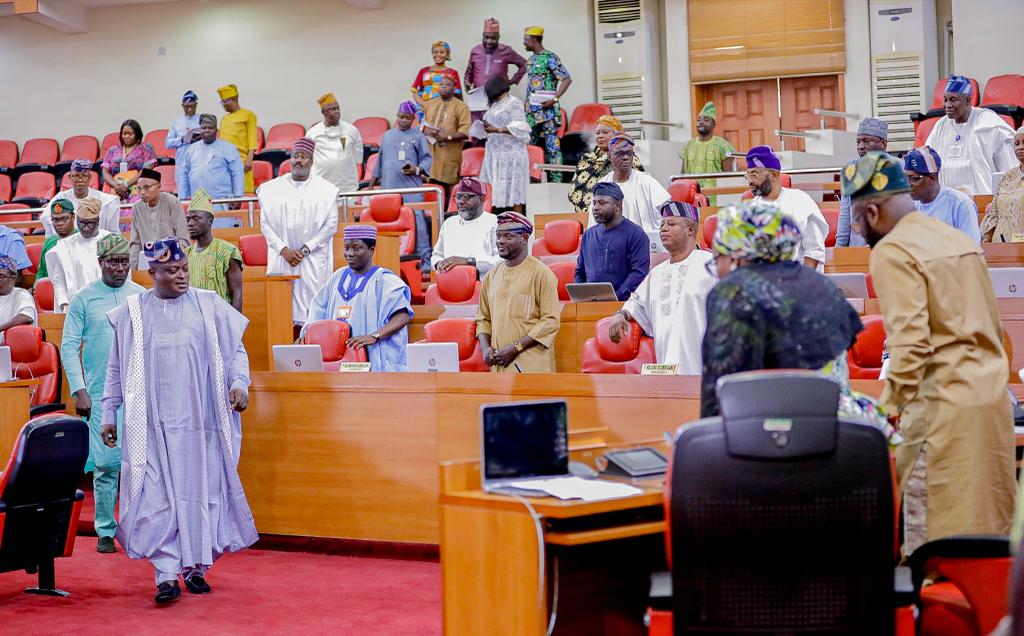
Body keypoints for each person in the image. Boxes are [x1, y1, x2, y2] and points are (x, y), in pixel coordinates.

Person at [843, 150, 1015, 553]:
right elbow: (996, 328)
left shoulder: (893, 251)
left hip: (942, 415)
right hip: (991, 407)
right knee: (990, 542)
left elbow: (911, 346)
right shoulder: (956, 239)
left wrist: (884, 413)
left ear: (870, 213)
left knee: (932, 548)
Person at [101, 237, 257, 603]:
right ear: (152, 273)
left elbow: (237, 351)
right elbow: (114, 368)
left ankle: (197, 567)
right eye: (171, 271)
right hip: (150, 429)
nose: (182, 276)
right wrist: (109, 411)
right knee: (156, 499)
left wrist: (239, 384)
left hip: (201, 426)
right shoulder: (133, 313)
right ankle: (166, 574)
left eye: (184, 268)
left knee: (200, 496)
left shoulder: (209, 305)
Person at [699, 200, 866, 419]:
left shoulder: (734, 291)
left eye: (716, 258)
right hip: (839, 427)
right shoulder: (821, 283)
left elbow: (721, 386)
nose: (717, 269)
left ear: (735, 258)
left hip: (772, 434)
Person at [60, 234, 144, 554]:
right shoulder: (83, 299)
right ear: (101, 263)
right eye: (113, 262)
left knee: (137, 462)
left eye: (125, 262)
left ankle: (135, 526)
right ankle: (106, 529)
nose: (120, 269)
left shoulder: (140, 295)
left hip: (136, 392)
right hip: (97, 393)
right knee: (107, 463)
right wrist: (79, 390)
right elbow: (69, 347)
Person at [608, 201, 715, 374]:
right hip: (667, 369)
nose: (663, 229)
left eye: (671, 224)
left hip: (705, 370)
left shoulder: (710, 265)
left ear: (691, 230)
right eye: (662, 225)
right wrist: (620, 315)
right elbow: (636, 303)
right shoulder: (656, 274)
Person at [304, 225, 413, 372]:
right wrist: (307, 335)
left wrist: (374, 336)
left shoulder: (384, 280)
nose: (349, 253)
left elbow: (404, 315)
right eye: (346, 248)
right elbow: (318, 311)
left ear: (371, 250)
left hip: (371, 358)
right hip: (337, 358)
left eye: (356, 248)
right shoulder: (337, 277)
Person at [258, 138, 339, 326]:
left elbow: (330, 226)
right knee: (281, 314)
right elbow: (265, 224)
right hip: (282, 258)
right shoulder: (271, 189)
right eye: (295, 156)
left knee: (313, 315)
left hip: (312, 259)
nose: (298, 161)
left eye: (303, 157)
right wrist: (283, 249)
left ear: (311, 161)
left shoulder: (325, 190)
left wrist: (305, 249)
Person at [476, 212, 560, 373]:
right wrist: (485, 348)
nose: (500, 241)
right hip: (500, 365)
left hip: (533, 367)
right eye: (499, 236)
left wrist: (515, 348)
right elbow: (483, 319)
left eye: (508, 236)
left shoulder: (541, 273)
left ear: (524, 238)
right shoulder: (490, 277)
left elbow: (550, 321)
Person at [925, 75, 1016, 196]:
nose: (947, 105)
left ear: (968, 100)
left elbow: (1010, 170)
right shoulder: (940, 126)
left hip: (983, 202)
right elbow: (927, 159)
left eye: (953, 99)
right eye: (945, 100)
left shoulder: (989, 124)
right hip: (947, 202)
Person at [368, 101, 433, 267]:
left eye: (407, 118)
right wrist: (370, 186)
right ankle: (388, 259)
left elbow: (427, 159)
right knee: (388, 225)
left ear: (413, 118)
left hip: (411, 189)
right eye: (400, 117)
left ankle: (425, 262)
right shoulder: (388, 135)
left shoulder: (418, 136)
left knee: (418, 223)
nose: (403, 120)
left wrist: (416, 169)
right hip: (389, 189)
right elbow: (380, 162)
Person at [745, 145, 828, 270]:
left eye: (754, 175)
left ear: (773, 174)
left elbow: (814, 251)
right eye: (748, 175)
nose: (750, 181)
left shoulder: (799, 200)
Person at [574, 182, 649, 300]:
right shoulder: (589, 235)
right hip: (588, 305)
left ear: (618, 205)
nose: (596, 207)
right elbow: (580, 271)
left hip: (623, 305)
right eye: (594, 203)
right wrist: (580, 296)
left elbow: (639, 273)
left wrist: (615, 298)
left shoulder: (636, 234)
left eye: (602, 203)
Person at [45, 197, 114, 313]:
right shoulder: (65, 245)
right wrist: (64, 304)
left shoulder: (111, 240)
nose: (85, 228)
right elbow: (59, 281)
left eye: (89, 224)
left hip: (106, 305)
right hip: (75, 307)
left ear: (98, 221)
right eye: (81, 223)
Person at [568, 114, 645, 215]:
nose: (600, 136)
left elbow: (632, 191)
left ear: (617, 134)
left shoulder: (627, 158)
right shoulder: (587, 159)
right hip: (584, 217)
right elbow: (574, 190)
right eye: (597, 133)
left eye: (605, 132)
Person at [593, 133, 670, 232]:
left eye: (629, 153)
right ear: (609, 156)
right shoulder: (602, 186)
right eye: (620, 154)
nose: (626, 157)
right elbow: (594, 225)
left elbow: (668, 210)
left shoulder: (647, 182)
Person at [522, 26, 572, 182]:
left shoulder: (551, 57)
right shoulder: (530, 61)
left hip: (548, 111)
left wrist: (555, 98)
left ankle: (557, 180)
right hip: (532, 112)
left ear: (535, 40)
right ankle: (530, 177)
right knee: (527, 145)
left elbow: (566, 79)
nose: (524, 42)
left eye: (526, 39)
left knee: (552, 147)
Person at [178, 113, 245, 226]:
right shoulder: (191, 149)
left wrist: (238, 197)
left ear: (216, 130)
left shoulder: (228, 148)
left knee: (222, 237)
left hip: (221, 202)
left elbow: (237, 173)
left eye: (210, 128)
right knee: (201, 237)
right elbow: (184, 175)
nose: (207, 130)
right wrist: (182, 198)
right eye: (204, 128)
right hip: (198, 203)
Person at [904, 145, 981, 242]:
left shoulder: (960, 204)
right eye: (905, 178)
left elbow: (972, 249)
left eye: (913, 179)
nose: (907, 184)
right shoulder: (908, 207)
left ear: (932, 178)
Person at [479, 75, 531, 213]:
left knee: (515, 192)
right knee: (496, 190)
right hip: (495, 152)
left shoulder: (513, 102)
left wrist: (497, 130)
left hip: (512, 153)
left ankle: (519, 225)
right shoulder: (495, 104)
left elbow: (521, 126)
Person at [185, 189, 243, 310]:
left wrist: (233, 327)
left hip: (219, 321)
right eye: (188, 219)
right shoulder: (185, 255)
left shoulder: (227, 252)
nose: (190, 223)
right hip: (193, 323)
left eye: (196, 218)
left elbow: (237, 294)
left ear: (210, 221)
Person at [430, 176, 499, 276]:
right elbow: (436, 255)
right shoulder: (449, 223)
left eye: (467, 197)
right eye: (458, 197)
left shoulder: (494, 222)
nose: (461, 201)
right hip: (449, 282)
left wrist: (468, 262)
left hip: (482, 284)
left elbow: (500, 261)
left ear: (482, 199)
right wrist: (439, 264)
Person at [837, 117, 889, 247]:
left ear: (883, 143)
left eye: (867, 141)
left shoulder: (899, 168)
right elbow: (845, 217)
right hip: (857, 252)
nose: (860, 147)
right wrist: (839, 250)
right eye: (858, 142)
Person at [129, 168, 189, 271]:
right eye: (139, 188)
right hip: (148, 265)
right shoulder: (137, 208)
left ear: (159, 187)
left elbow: (183, 238)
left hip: (173, 263)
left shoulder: (172, 202)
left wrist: (178, 265)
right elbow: (135, 243)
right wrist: (133, 271)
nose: (142, 192)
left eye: (147, 187)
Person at [422, 76, 472, 199]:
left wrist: (447, 136)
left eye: (447, 85)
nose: (443, 87)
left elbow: (465, 131)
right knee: (432, 187)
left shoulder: (461, 107)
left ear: (454, 88)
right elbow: (424, 124)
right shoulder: (430, 104)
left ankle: (449, 215)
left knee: (449, 188)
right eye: (441, 85)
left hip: (449, 154)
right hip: (431, 152)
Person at [44, 159, 121, 236]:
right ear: (70, 177)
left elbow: (114, 233)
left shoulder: (105, 200)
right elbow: (46, 217)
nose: (80, 180)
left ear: (90, 177)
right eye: (76, 176)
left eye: (84, 176)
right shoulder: (61, 198)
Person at [678, 101, 735, 206]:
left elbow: (728, 177)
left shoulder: (723, 146)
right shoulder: (688, 145)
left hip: (715, 198)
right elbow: (682, 173)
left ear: (714, 124)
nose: (701, 122)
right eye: (698, 120)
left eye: (706, 120)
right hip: (692, 196)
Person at [307, 93, 363, 195]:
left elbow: (358, 158)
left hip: (347, 186)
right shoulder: (312, 133)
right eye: (331, 109)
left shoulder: (352, 130)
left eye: (337, 108)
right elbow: (307, 158)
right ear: (323, 112)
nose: (336, 111)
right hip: (321, 185)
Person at [981, 126, 1024, 242]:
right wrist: (986, 240)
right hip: (1001, 246)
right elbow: (994, 212)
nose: (1020, 147)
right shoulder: (1007, 176)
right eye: (1017, 143)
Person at [465, 18, 527, 96]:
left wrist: (513, 80)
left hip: (500, 96)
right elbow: (470, 70)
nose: (489, 41)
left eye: (493, 38)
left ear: (498, 37)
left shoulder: (506, 50)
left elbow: (524, 64)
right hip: (479, 94)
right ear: (483, 36)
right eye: (486, 37)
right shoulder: (475, 51)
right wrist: (467, 81)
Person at [101, 118, 157, 203]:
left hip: (137, 185)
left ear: (137, 134)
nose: (126, 136)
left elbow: (147, 170)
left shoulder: (146, 148)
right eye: (124, 134)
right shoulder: (112, 150)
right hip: (114, 187)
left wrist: (126, 185)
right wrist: (117, 186)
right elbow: (105, 171)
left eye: (130, 134)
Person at [217, 83, 258, 193]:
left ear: (234, 99)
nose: (223, 105)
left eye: (225, 101)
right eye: (222, 102)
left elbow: (252, 138)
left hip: (242, 161)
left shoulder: (248, 115)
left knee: (244, 192)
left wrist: (249, 160)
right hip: (225, 162)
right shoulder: (224, 119)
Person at [166, 90, 201, 191]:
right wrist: (181, 139)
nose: (189, 109)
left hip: (198, 161)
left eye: (192, 106)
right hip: (182, 163)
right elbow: (168, 143)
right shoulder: (176, 121)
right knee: (183, 193)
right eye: (187, 106)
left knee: (199, 194)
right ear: (182, 106)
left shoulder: (202, 119)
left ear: (196, 104)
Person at [35, 199, 76, 283]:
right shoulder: (49, 242)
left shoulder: (82, 239)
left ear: (73, 217)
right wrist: (36, 287)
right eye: (56, 220)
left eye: (64, 219)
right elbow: (42, 271)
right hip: (50, 289)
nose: (60, 223)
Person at [410, 41, 463, 105]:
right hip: (425, 109)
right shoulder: (424, 71)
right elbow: (415, 92)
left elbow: (457, 95)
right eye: (435, 52)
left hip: (445, 109)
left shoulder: (452, 73)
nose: (438, 54)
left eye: (442, 52)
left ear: (447, 55)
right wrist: (423, 104)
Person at [0, 256, 35, 338]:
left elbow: (27, 317)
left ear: (13, 279)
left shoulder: (21, 294)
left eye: (1, 277)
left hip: (15, 348)